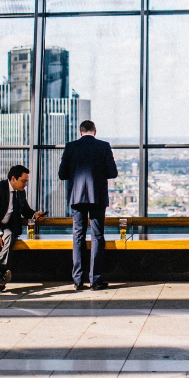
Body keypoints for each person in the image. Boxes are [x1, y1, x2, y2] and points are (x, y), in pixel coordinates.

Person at [58, 120, 118, 291]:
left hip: (77, 197)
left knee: (78, 236)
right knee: (97, 236)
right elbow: (112, 172)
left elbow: (62, 174)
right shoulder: (104, 146)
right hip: (97, 196)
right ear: (95, 132)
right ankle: (95, 280)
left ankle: (77, 280)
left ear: (80, 132)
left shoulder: (70, 147)